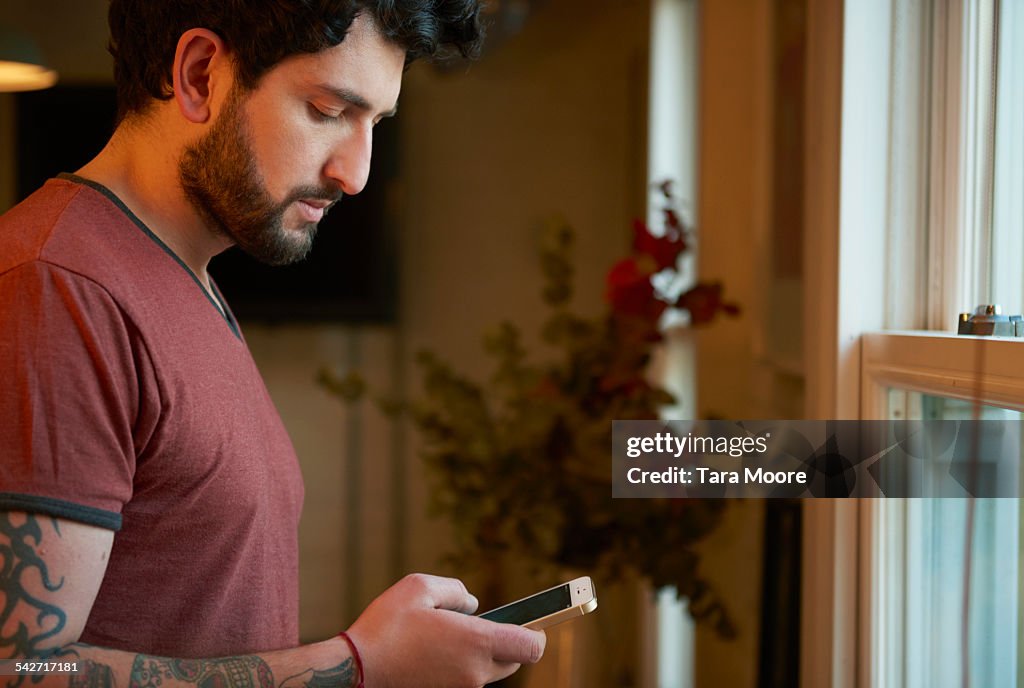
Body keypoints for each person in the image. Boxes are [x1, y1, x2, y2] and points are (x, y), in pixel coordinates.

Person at [0, 1, 546, 686]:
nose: (357, 173)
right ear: (199, 75)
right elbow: (15, 669)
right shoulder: (56, 285)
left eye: (375, 124)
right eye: (326, 110)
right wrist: (357, 667)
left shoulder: (185, 278)